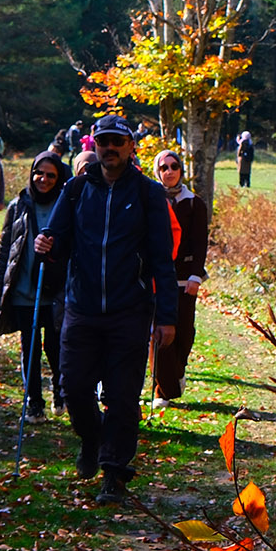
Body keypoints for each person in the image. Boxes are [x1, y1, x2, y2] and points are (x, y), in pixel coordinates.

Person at [34, 115, 178, 504]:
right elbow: (58, 240)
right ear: (94, 146)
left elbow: (162, 260)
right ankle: (91, 437)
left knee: (122, 395)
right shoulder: (76, 189)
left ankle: (114, 473)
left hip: (129, 310)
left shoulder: (149, 193)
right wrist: (47, 244)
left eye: (117, 142)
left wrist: (166, 316)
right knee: (73, 387)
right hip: (81, 307)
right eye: (103, 142)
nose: (109, 148)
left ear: (131, 146)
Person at [0, 152, 71, 420]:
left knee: (56, 347)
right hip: (24, 288)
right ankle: (34, 402)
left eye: (50, 175)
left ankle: (60, 392)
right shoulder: (18, 206)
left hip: (56, 290)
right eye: (39, 173)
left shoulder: (65, 205)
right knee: (30, 348)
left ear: (59, 178)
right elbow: (5, 248)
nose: (43, 179)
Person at [152, 150, 209, 406]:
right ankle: (163, 390)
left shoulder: (194, 203)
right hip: (157, 278)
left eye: (174, 166)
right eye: (164, 167)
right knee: (160, 332)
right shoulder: (151, 199)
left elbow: (200, 242)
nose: (169, 171)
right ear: (157, 171)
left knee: (184, 332)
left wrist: (196, 275)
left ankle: (177, 371)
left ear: (181, 170)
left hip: (185, 278)